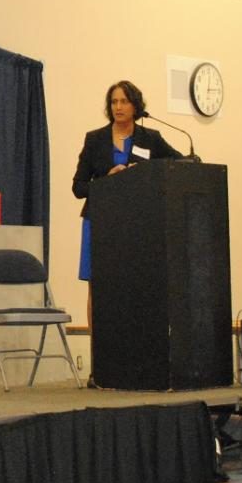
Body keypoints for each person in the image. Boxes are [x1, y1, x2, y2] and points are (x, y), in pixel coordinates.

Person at [71, 81, 182, 327]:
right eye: (113, 102)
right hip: (100, 222)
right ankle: (98, 355)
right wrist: (106, 181)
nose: (118, 107)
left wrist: (146, 173)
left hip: (137, 224)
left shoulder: (150, 138)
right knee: (98, 288)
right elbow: (78, 187)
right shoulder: (95, 139)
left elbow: (180, 163)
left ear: (135, 105)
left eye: (124, 101)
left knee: (134, 286)